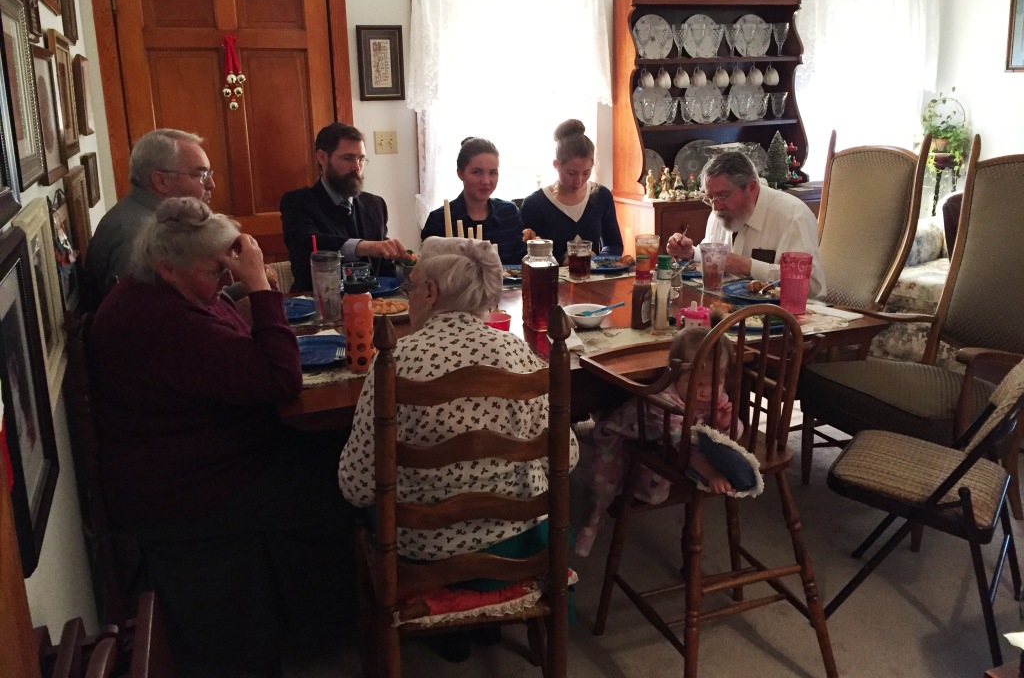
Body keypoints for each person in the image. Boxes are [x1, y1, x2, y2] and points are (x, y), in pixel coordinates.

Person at [89, 197, 353, 675]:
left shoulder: (156, 293)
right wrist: (259, 288)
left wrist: (240, 298)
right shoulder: (165, 322)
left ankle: (308, 620)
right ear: (168, 268)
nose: (224, 279)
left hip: (203, 462)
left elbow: (226, 336)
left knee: (332, 451)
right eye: (216, 271)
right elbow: (280, 380)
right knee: (345, 483)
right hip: (192, 491)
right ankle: (325, 627)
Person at [339, 236, 579, 660]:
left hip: (423, 557)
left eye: (412, 286)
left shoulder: (395, 360)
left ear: (431, 292)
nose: (410, 295)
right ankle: (489, 609)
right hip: (519, 549)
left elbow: (356, 487)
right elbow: (569, 457)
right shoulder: (521, 355)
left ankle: (444, 612)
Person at [574, 327, 761, 558]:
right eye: (696, 383)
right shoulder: (666, 400)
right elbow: (683, 444)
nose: (705, 392)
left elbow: (728, 436)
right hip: (623, 432)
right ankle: (592, 522)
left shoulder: (716, 396)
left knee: (655, 492)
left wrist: (724, 423)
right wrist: (711, 474)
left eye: (715, 382)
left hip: (661, 439)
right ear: (675, 376)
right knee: (604, 482)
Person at [666, 151, 827, 298]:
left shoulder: (793, 216)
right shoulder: (718, 213)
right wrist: (691, 253)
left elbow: (810, 284)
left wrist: (748, 267)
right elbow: (720, 260)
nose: (715, 207)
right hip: (731, 309)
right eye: (709, 198)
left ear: (751, 187)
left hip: (789, 315)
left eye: (723, 196)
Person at [85, 129, 215, 304]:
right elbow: (146, 313)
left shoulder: (153, 219)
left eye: (209, 174)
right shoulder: (138, 236)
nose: (211, 184)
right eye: (201, 175)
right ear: (161, 181)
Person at [280, 122, 407, 292]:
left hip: (374, 302)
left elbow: (385, 270)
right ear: (322, 157)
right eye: (348, 158)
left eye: (361, 159)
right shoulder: (298, 202)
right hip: (317, 301)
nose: (356, 167)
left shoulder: (375, 204)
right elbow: (308, 243)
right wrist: (365, 246)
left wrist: (406, 267)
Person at [520, 119, 624, 262]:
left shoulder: (601, 196)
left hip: (592, 275)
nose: (579, 181)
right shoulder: (535, 204)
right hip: (550, 276)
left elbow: (614, 245)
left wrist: (598, 260)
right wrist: (562, 261)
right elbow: (523, 255)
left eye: (586, 173)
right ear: (556, 165)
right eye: (571, 173)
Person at [421, 137, 526, 264]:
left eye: (493, 173)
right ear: (460, 173)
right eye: (477, 172)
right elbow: (429, 269)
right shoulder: (438, 220)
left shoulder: (509, 213)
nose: (486, 181)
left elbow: (523, 264)